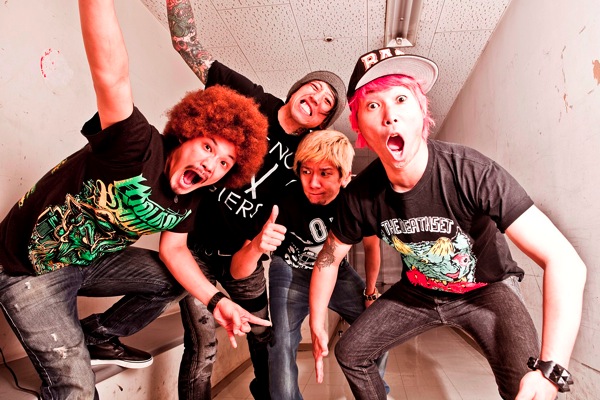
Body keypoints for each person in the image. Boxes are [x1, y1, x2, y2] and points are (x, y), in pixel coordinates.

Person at [0, 1, 270, 398]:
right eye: (208, 147)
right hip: (26, 268)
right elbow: (112, 74)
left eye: (224, 162)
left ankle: (99, 334)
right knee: (76, 387)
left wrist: (217, 302)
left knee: (175, 280)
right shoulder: (136, 145)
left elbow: (175, 252)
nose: (211, 164)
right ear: (187, 133)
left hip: (86, 263)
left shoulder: (190, 199)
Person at [308, 46, 587, 400]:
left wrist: (550, 369)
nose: (390, 116)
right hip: (419, 291)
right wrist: (317, 319)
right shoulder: (361, 195)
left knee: (527, 386)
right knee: (350, 353)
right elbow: (329, 258)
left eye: (401, 99)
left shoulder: (470, 171)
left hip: (487, 288)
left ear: (422, 110)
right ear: (358, 124)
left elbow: (564, 261)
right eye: (373, 105)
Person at [166, 1, 347, 398]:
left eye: (326, 106)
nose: (317, 101)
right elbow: (186, 43)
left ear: (321, 122)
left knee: (263, 334)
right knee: (202, 346)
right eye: (314, 90)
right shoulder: (252, 100)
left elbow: (328, 192)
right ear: (297, 89)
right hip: (194, 247)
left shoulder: (307, 156)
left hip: (245, 257)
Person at [230, 129, 389, 399]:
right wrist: (257, 245)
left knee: (380, 327)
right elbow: (237, 269)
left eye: (325, 173)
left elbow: (372, 247)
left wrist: (371, 292)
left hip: (338, 273)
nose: (313, 183)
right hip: (290, 271)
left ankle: (376, 393)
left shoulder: (357, 201)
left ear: (345, 177)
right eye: (306, 172)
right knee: (281, 345)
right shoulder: (284, 199)